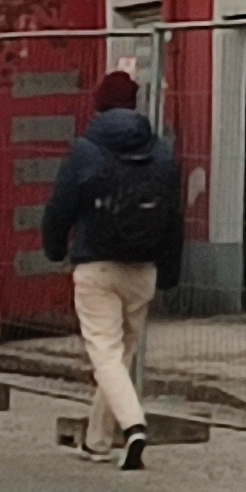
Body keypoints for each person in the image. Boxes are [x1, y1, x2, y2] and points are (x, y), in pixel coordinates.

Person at [38, 65, 181, 468]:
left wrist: (54, 248)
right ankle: (98, 440)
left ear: (98, 106)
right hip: (143, 268)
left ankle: (133, 426)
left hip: (96, 267)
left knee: (104, 354)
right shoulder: (161, 153)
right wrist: (170, 270)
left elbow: (60, 207)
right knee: (121, 357)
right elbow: (174, 217)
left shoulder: (86, 151)